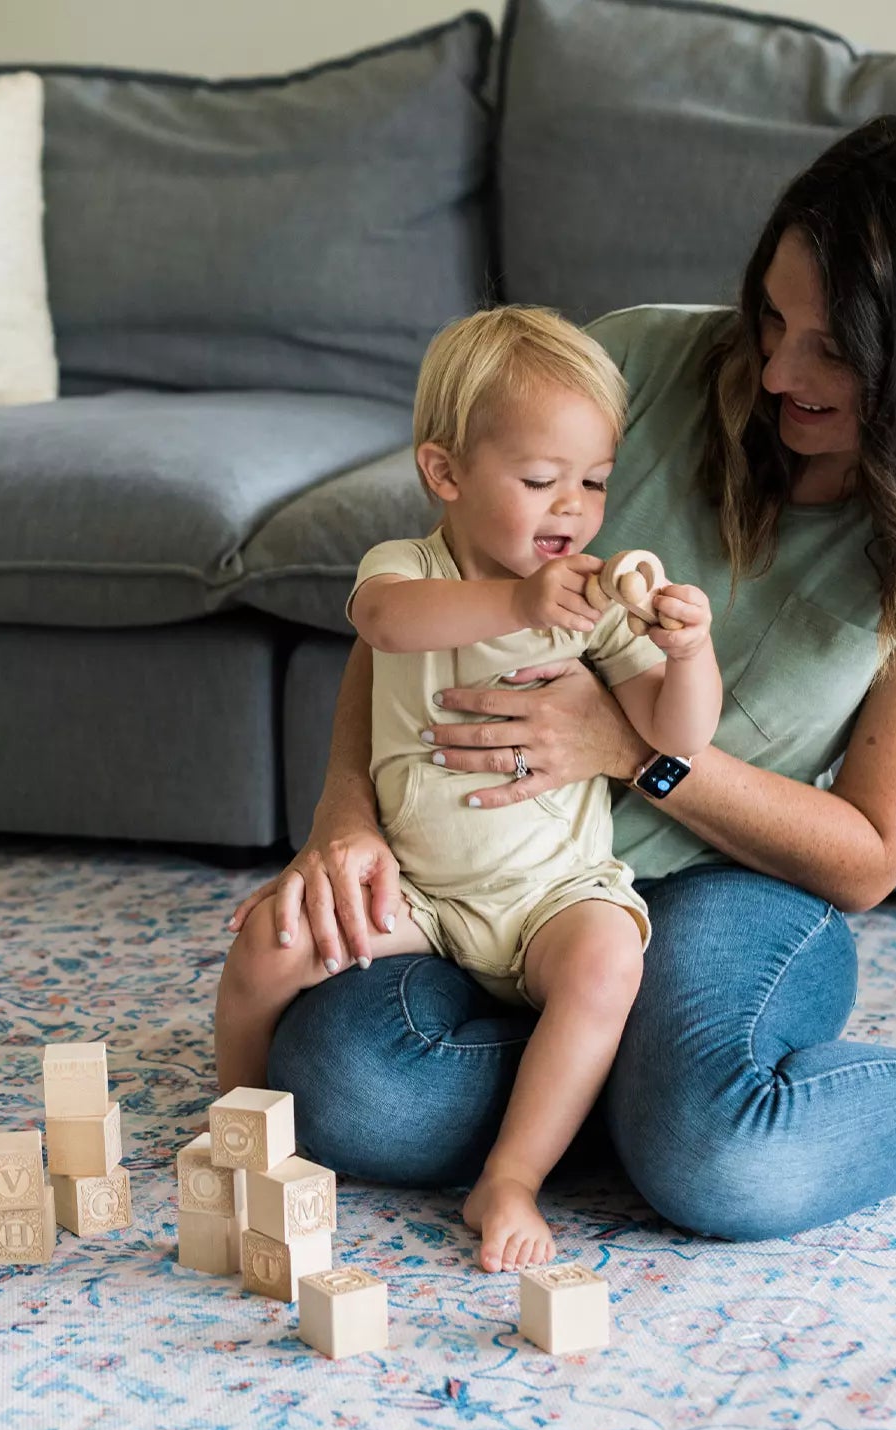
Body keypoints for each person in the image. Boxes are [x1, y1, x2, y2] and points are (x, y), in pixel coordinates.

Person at [228, 111, 896, 1241]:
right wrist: (344, 824)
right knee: (350, 1088)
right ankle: (678, 1086)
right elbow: (413, 616)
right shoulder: (626, 366)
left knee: (724, 1165)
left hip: (723, 886)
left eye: (832, 348)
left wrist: (630, 751)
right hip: (482, 871)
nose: (777, 369)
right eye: (772, 317)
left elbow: (869, 854)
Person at [214, 308, 722, 1271]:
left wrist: (687, 654)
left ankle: (513, 1177)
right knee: (271, 942)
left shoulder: (592, 599)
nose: (571, 509)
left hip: (551, 894)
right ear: (445, 474)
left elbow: (675, 735)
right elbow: (386, 624)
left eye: (594, 483)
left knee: (608, 965)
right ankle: (238, 1128)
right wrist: (519, 602)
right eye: (539, 481)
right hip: (421, 892)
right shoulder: (408, 570)